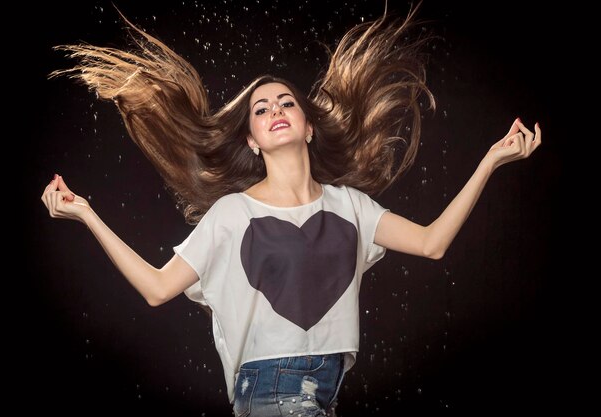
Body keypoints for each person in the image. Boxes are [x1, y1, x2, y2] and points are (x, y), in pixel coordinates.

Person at [41, 6, 541, 417]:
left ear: (308, 128)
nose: (274, 111)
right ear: (253, 141)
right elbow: (156, 288)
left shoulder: (350, 207)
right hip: (271, 389)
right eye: (260, 110)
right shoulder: (232, 214)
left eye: (286, 103)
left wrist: (491, 161)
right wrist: (86, 213)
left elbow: (433, 243)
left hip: (320, 394)